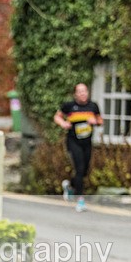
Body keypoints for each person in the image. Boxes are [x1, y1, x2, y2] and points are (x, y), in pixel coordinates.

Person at [53, 83, 103, 212]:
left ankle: (69, 185)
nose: (82, 94)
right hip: (73, 142)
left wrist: (95, 121)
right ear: (75, 94)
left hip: (87, 142)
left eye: (84, 91)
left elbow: (100, 121)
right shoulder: (69, 106)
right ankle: (80, 200)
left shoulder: (93, 106)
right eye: (80, 91)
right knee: (79, 168)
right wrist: (63, 123)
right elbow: (57, 117)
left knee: (84, 171)